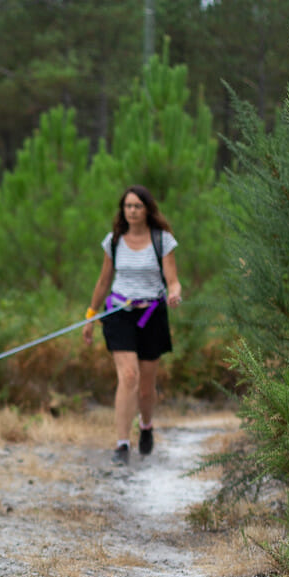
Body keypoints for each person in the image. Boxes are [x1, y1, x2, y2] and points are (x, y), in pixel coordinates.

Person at [81, 185, 182, 467]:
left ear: (148, 209)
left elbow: (172, 279)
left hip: (151, 314)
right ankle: (122, 444)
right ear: (122, 210)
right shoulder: (113, 241)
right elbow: (103, 282)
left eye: (137, 206)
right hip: (119, 313)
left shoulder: (163, 240)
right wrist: (90, 315)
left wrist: (174, 292)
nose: (132, 211)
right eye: (128, 206)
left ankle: (146, 425)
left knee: (146, 388)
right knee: (128, 376)